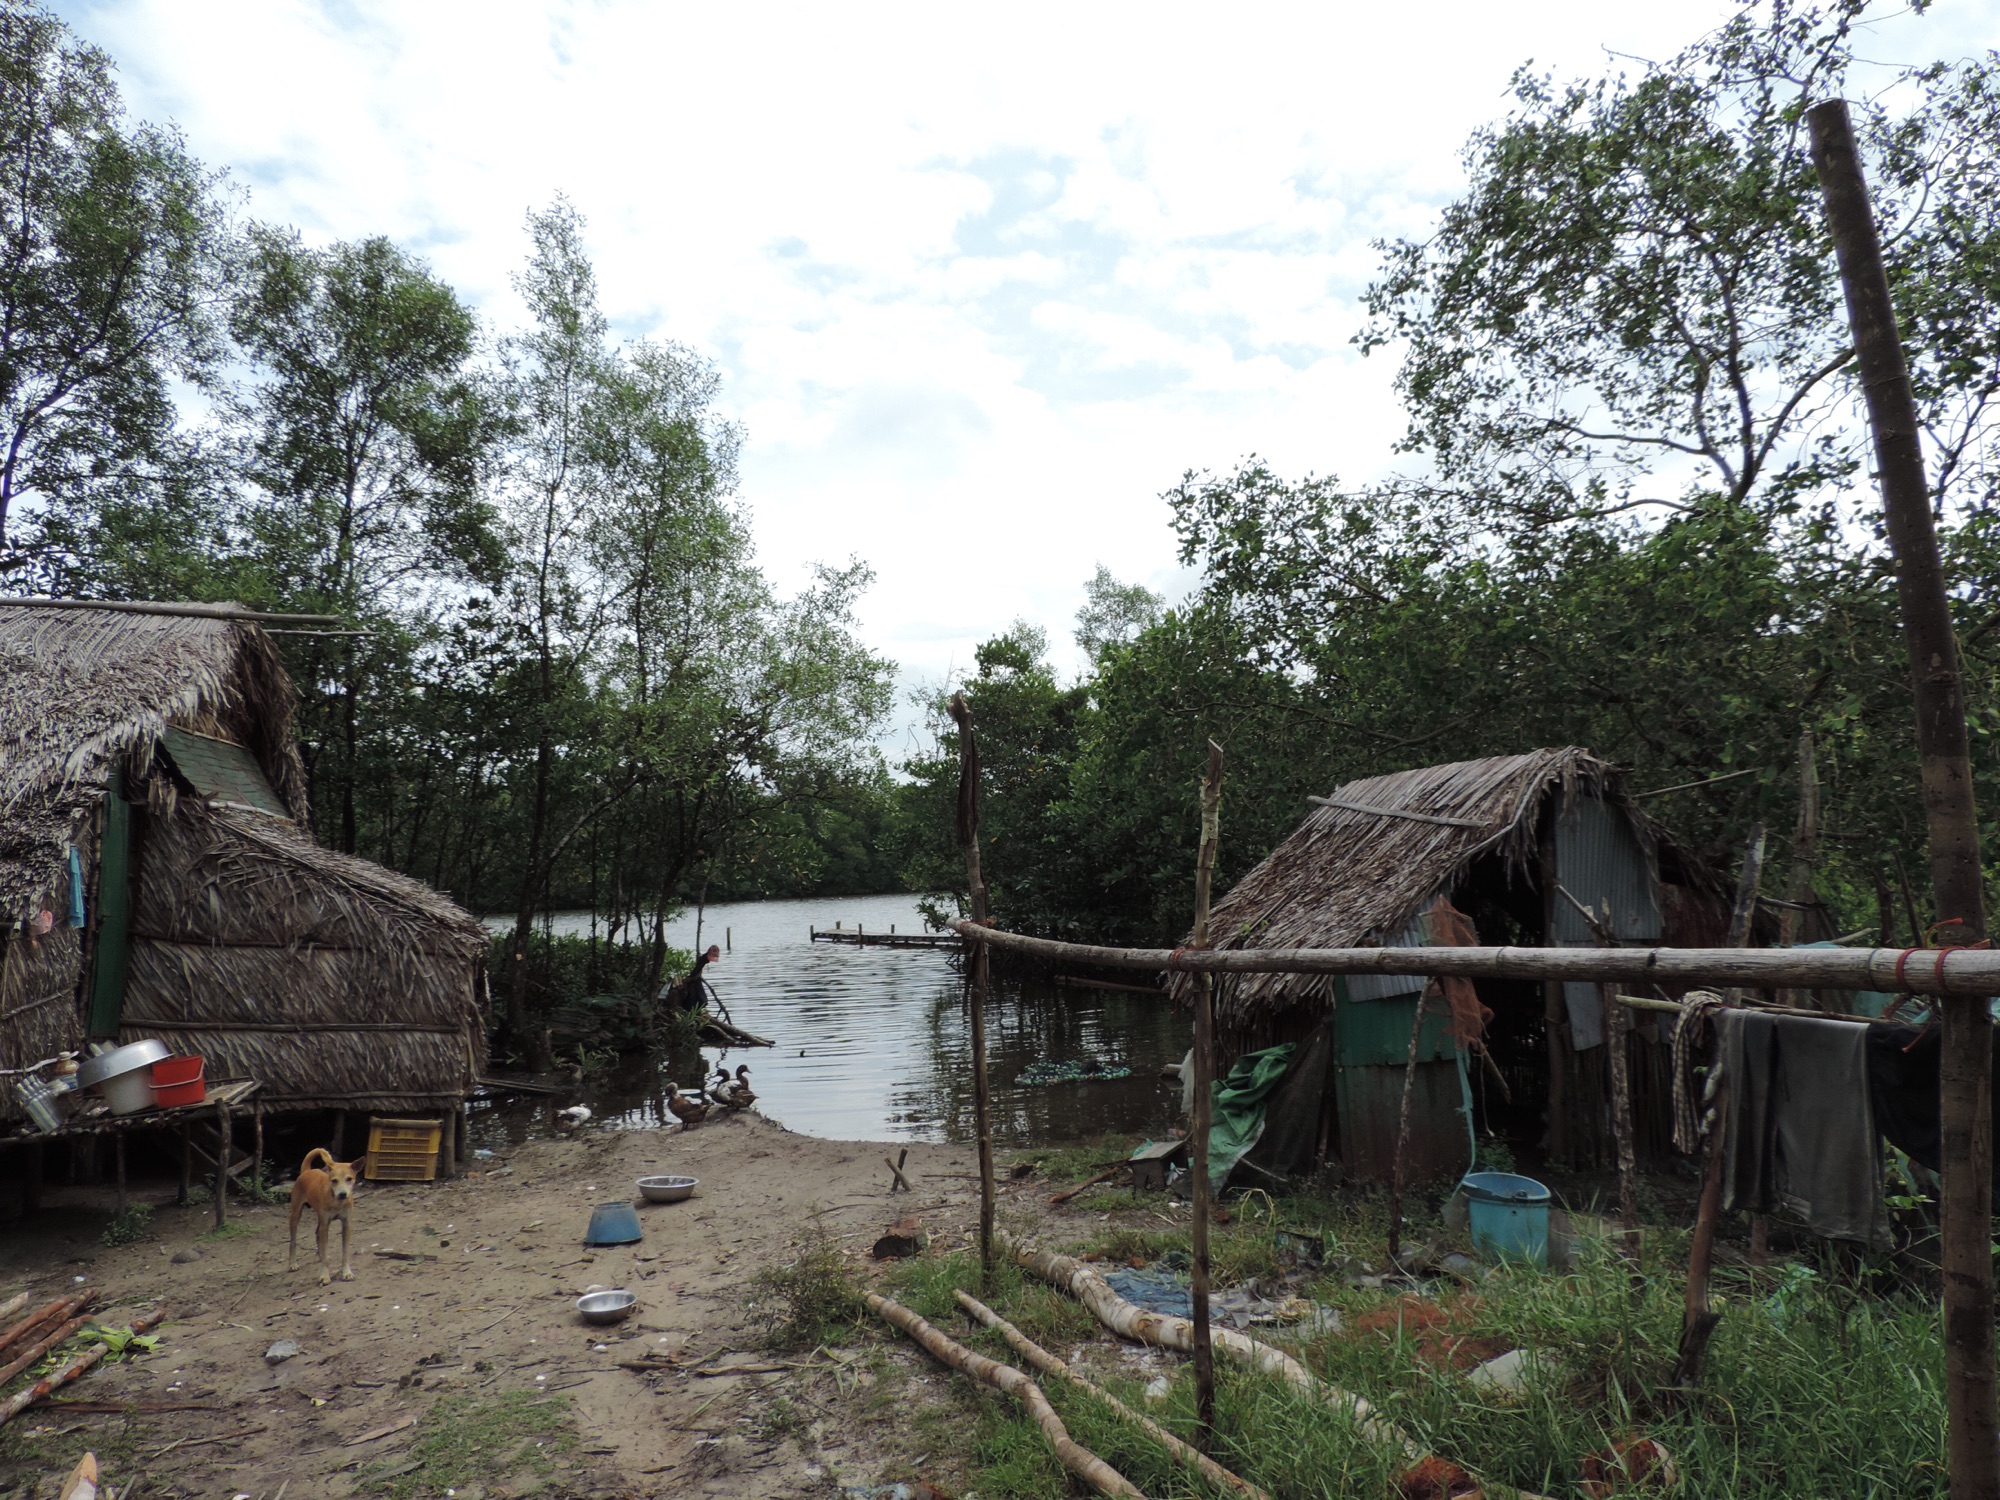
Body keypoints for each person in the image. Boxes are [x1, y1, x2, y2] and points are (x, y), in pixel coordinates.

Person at [672, 944, 722, 1013]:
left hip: (695, 979)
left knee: (697, 998)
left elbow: (697, 972)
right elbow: (696, 972)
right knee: (696, 998)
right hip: (694, 979)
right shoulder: (702, 960)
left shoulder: (703, 960)